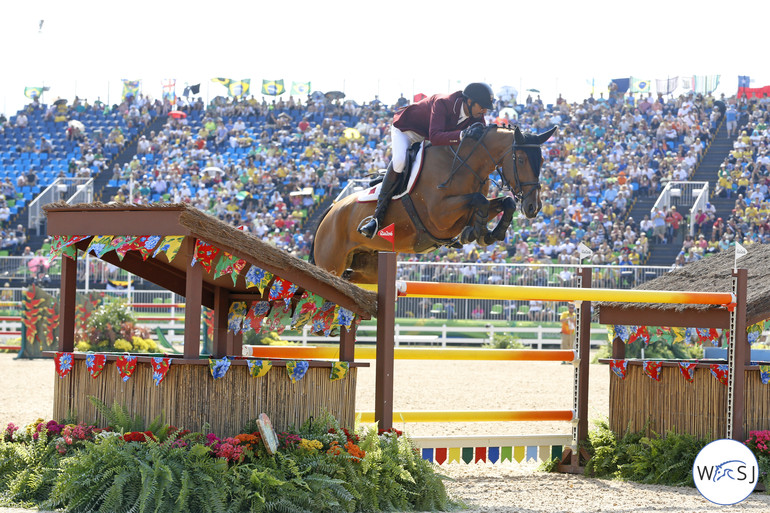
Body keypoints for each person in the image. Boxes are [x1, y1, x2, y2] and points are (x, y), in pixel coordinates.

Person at [357, 82, 494, 238]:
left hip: (427, 137)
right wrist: (462, 135)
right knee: (400, 161)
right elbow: (436, 137)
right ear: (469, 102)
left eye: (486, 108)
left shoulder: (476, 116)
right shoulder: (444, 103)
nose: (484, 111)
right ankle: (376, 218)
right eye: (482, 107)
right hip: (407, 131)